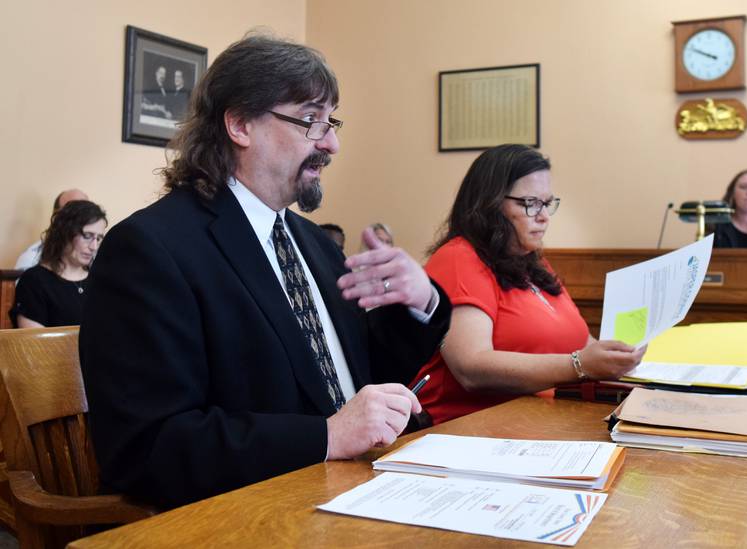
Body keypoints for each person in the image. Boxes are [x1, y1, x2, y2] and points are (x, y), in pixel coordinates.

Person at [79, 34, 451, 509]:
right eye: (311, 120)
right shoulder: (150, 249)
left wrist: (420, 302)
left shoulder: (314, 244)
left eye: (331, 121)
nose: (332, 143)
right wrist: (327, 436)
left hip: (361, 494)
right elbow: (149, 447)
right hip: (254, 514)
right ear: (239, 124)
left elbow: (364, 381)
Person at [408, 144, 645, 425]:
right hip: (464, 428)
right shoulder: (459, 257)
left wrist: (616, 358)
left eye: (547, 204)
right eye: (530, 203)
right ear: (490, 203)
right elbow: (470, 367)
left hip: (537, 421)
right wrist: (580, 365)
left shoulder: (533, 263)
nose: (543, 216)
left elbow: (583, 343)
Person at [10, 200, 106, 328]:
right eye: (87, 236)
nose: (94, 247)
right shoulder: (34, 281)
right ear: (64, 234)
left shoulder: (100, 279)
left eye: (99, 238)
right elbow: (33, 344)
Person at [15, 188, 89, 271]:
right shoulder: (31, 259)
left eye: (86, 211)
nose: (81, 217)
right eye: (73, 211)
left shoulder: (96, 255)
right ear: (56, 216)